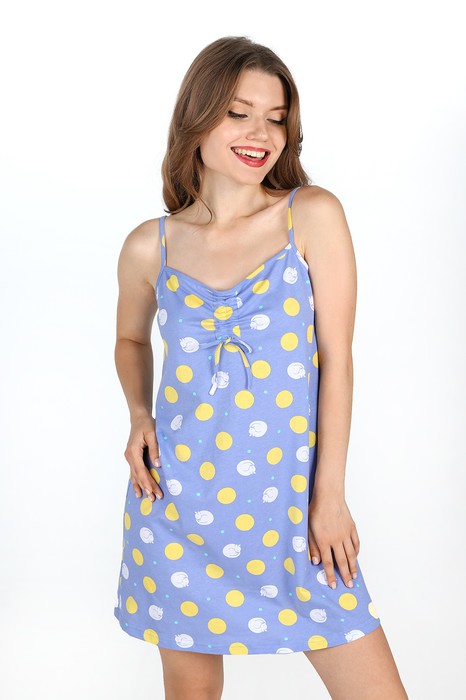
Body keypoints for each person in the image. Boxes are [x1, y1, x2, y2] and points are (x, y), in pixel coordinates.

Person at [113, 36, 409, 700]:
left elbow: (338, 361)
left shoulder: (311, 215)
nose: (261, 134)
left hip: (293, 514)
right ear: (197, 118)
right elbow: (130, 340)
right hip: (176, 509)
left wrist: (328, 499)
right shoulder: (149, 246)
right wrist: (138, 415)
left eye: (276, 118)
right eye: (239, 113)